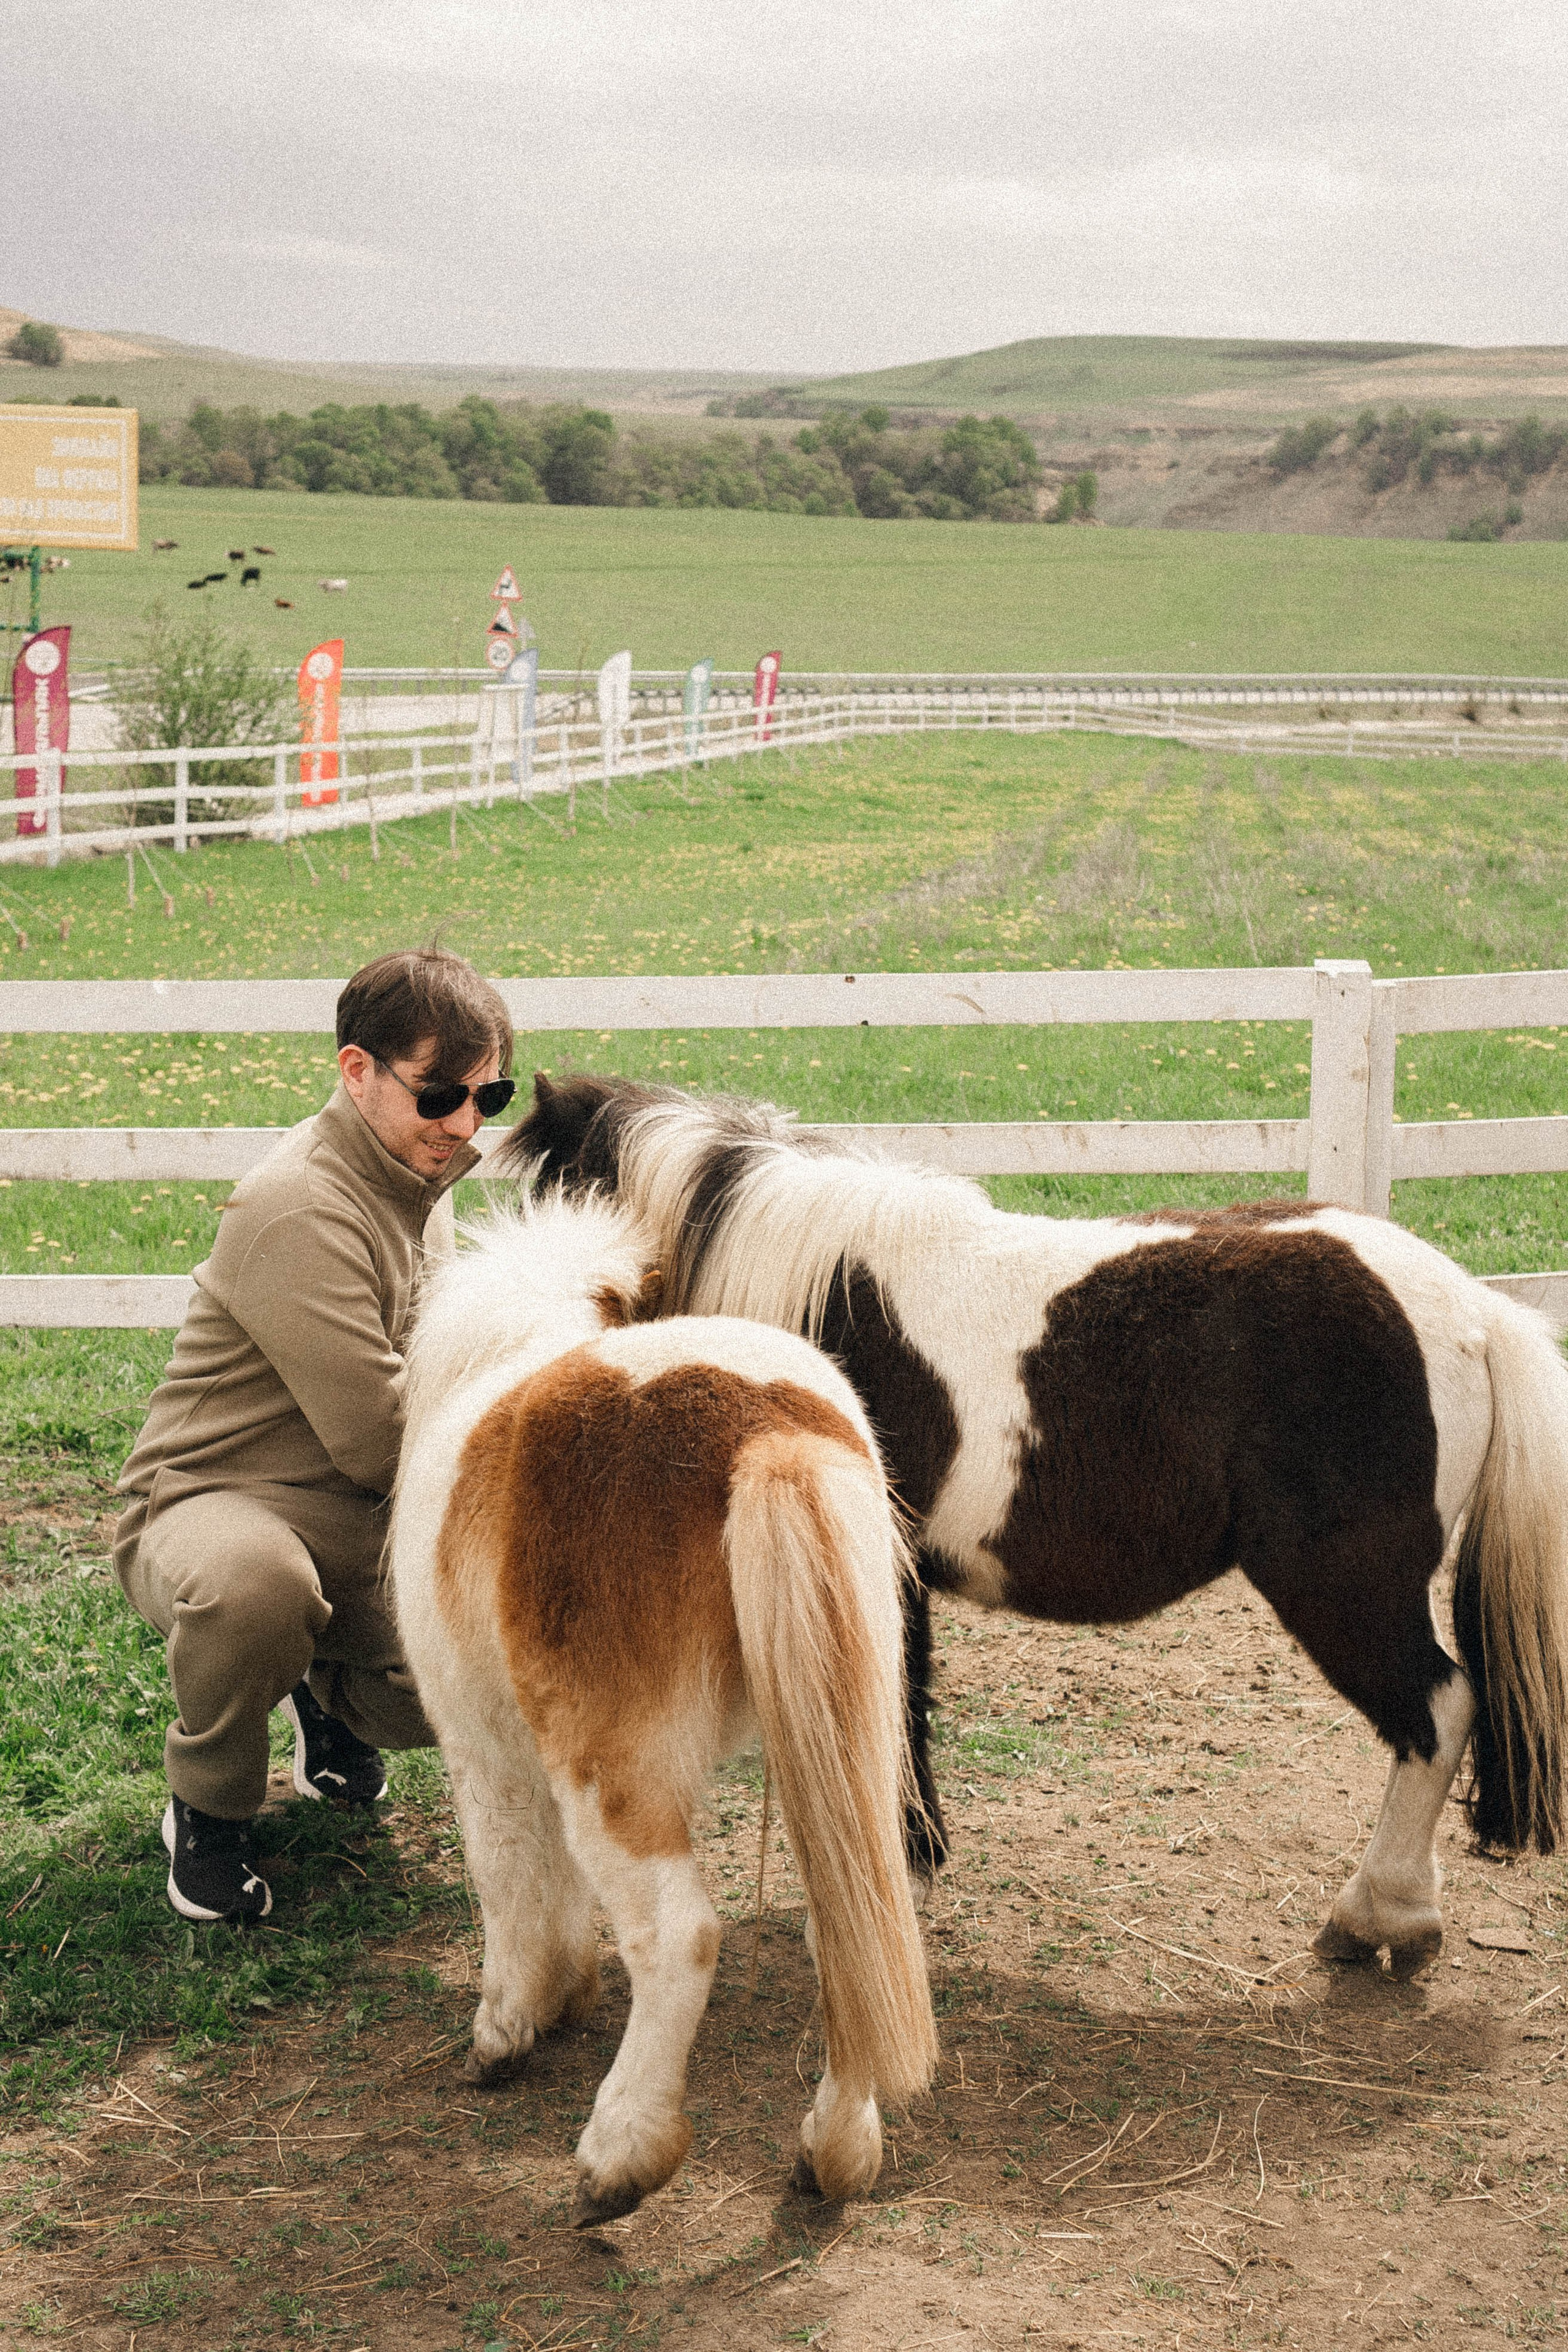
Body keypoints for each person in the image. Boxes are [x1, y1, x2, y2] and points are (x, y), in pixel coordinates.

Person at [115, 946, 517, 1923]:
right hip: (214, 1499)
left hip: (352, 1512)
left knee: (482, 1674)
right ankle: (209, 1808)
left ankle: (321, 1694)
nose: (465, 1124)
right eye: (439, 1096)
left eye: (489, 1096)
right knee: (258, 1589)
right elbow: (382, 1436)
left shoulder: (416, 1176)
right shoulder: (297, 1205)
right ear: (357, 1070)